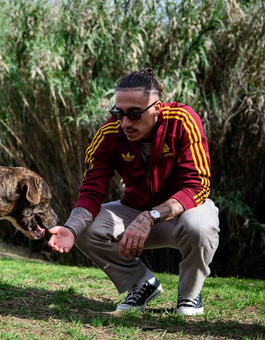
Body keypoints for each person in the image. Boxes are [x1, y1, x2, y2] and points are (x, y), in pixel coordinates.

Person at [48, 68, 220, 315]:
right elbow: (92, 190)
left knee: (201, 227)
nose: (126, 123)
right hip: (135, 210)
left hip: (183, 212)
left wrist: (151, 216)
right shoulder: (109, 134)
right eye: (119, 113)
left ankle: (190, 295)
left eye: (134, 114)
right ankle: (141, 284)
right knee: (85, 229)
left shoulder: (183, 120)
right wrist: (71, 228)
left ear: (156, 108)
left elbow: (197, 185)